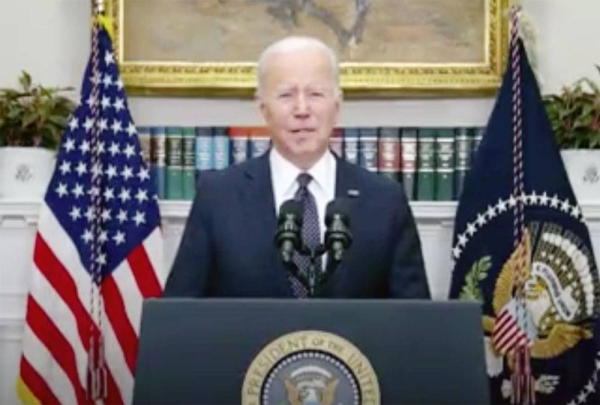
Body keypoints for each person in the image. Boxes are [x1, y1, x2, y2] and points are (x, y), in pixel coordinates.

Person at [163, 35, 430, 299]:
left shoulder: (384, 199)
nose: (302, 109)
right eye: (286, 95)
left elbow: (414, 322)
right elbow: (181, 314)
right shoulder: (219, 196)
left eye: (315, 93)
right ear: (263, 108)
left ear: (336, 106)